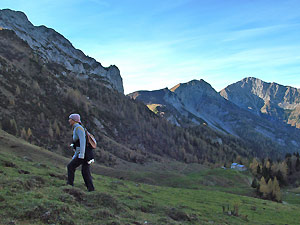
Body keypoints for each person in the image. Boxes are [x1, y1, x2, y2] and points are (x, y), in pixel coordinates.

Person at [67, 113, 95, 192]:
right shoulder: (78, 127)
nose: (69, 120)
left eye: (70, 119)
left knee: (70, 167)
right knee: (85, 171)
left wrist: (81, 155)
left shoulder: (78, 128)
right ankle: (91, 188)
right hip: (86, 154)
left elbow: (82, 142)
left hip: (83, 154)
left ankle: (70, 184)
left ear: (74, 120)